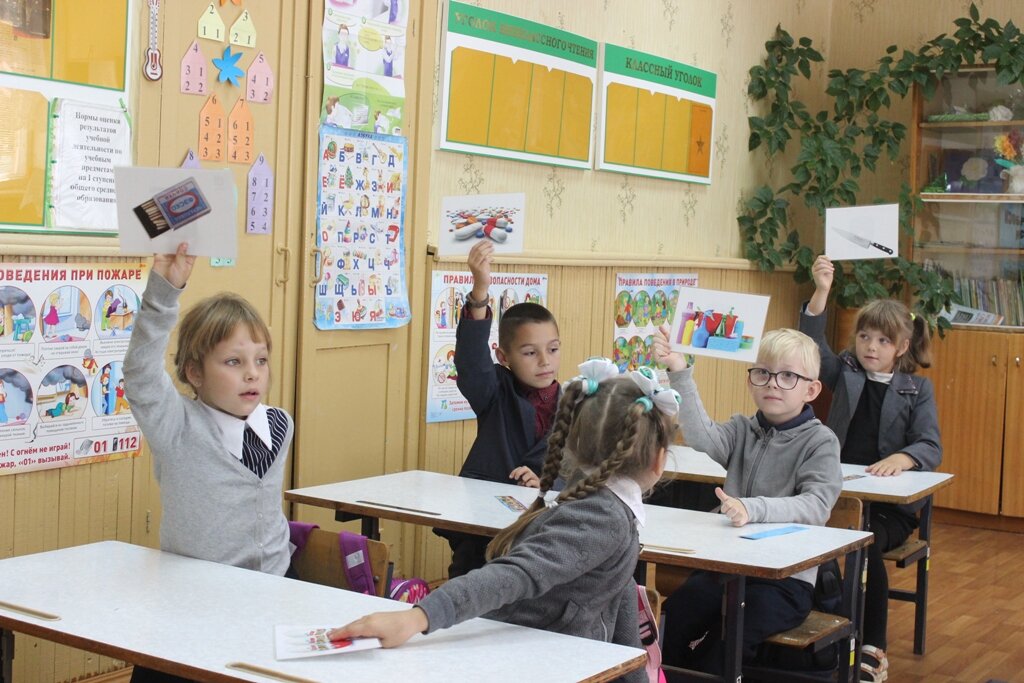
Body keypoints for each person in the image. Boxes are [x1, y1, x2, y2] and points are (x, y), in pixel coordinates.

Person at [329, 359, 679, 683]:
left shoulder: (608, 509)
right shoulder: (603, 516)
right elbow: (513, 575)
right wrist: (416, 618)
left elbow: (618, 598)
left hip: (556, 656)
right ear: (659, 460)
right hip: (527, 662)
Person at [123, 244, 295, 683]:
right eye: (233, 362)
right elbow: (141, 374)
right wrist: (165, 289)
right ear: (194, 373)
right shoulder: (176, 425)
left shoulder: (280, 424)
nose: (252, 373)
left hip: (270, 593)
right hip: (192, 602)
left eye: (260, 360)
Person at [653, 325, 842, 673]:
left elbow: (815, 505)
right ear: (750, 380)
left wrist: (752, 508)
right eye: (763, 373)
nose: (773, 383)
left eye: (788, 376)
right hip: (727, 570)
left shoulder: (821, 442)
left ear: (812, 390)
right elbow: (701, 436)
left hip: (785, 582)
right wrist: (679, 371)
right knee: (677, 614)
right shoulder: (743, 430)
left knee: (728, 640)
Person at [800, 254, 942, 682]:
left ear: (901, 347)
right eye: (864, 337)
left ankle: (871, 648)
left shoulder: (917, 388)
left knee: (864, 544)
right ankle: (823, 630)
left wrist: (903, 457)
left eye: (882, 341)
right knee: (811, 538)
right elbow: (812, 344)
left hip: (887, 510)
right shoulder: (844, 371)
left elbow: (930, 444)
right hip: (837, 495)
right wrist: (821, 291)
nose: (870, 347)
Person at [438, 240, 561, 578]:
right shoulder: (495, 391)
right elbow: (471, 361)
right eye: (530, 352)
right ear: (504, 357)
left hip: (544, 533)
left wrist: (548, 484)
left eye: (552, 349)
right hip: (483, 532)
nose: (544, 361)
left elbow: (586, 471)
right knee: (471, 582)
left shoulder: (578, 403)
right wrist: (480, 290)